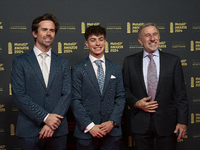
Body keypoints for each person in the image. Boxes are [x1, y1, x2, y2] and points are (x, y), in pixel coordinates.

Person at [122, 22, 188, 150]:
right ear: (140, 41)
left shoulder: (173, 61)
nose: (152, 38)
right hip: (140, 123)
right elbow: (124, 89)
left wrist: (182, 122)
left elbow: (181, 94)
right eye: (147, 35)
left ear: (159, 37)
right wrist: (136, 103)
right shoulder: (129, 61)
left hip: (167, 124)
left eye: (155, 34)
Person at [11, 13, 71, 150]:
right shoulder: (20, 62)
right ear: (34, 33)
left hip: (58, 131)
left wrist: (52, 123)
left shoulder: (63, 62)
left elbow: (67, 94)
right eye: (44, 29)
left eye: (52, 30)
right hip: (29, 130)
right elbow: (19, 95)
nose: (48, 33)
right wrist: (45, 117)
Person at [71, 25, 125, 150]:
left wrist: (112, 122)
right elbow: (75, 100)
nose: (97, 43)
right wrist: (90, 126)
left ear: (105, 42)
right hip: (86, 131)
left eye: (100, 39)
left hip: (111, 131)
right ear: (86, 43)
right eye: (93, 40)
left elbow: (121, 97)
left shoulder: (115, 68)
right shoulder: (78, 69)